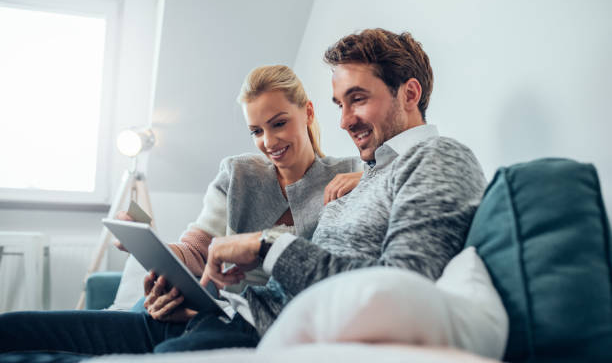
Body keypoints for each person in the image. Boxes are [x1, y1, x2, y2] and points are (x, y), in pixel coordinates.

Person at [119, 28, 488, 349]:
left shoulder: (436, 157)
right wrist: (210, 304)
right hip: (239, 314)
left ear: (410, 94)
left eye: (357, 99)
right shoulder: (373, 171)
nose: (344, 121)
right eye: (340, 104)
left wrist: (266, 246)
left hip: (267, 331)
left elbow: (403, 290)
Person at [0, 65, 362, 360]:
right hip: (180, 313)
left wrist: (364, 177)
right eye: (256, 130)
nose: (268, 142)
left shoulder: (351, 174)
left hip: (237, 326)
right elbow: (195, 249)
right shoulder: (239, 174)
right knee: (15, 329)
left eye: (278, 123)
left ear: (308, 111)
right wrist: (150, 248)